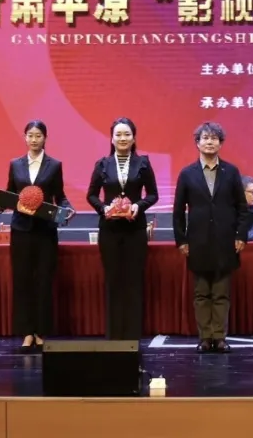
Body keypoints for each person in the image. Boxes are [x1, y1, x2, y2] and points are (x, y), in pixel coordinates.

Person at [172, 122, 250, 353]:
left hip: (226, 241)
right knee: (201, 293)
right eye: (205, 138)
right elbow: (178, 212)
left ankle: (220, 337)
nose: (209, 142)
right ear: (197, 143)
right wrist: (181, 240)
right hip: (197, 242)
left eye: (214, 138)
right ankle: (205, 338)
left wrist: (241, 235)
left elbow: (242, 207)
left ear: (220, 143)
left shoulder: (231, 172)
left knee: (221, 293)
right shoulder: (187, 173)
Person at [2, 120, 74, 353]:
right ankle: (26, 332)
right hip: (21, 230)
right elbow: (10, 192)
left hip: (45, 231)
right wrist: (1, 203)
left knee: (44, 281)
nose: (34, 140)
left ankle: (41, 332)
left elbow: (60, 196)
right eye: (30, 135)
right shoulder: (15, 164)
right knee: (22, 280)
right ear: (25, 137)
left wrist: (67, 208)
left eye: (38, 136)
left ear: (45, 138)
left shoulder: (55, 165)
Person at [86, 117, 159, 341]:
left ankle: (132, 334)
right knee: (113, 280)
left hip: (135, 230)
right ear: (111, 138)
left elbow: (153, 194)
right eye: (118, 134)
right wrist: (104, 208)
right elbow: (91, 195)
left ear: (134, 138)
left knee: (133, 281)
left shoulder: (143, 163)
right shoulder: (102, 164)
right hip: (110, 231)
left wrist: (139, 205)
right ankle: (114, 334)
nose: (122, 138)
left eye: (127, 134)